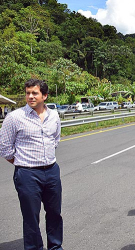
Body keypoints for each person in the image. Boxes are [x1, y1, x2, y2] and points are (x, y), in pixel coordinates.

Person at [0, 79, 63, 250]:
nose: (30, 96)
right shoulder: (14, 117)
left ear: (45, 95)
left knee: (55, 214)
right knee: (31, 217)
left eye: (34, 93)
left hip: (51, 171)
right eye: (28, 93)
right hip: (27, 174)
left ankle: (55, 247)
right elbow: (5, 148)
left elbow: (55, 139)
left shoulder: (54, 116)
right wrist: (22, 163)